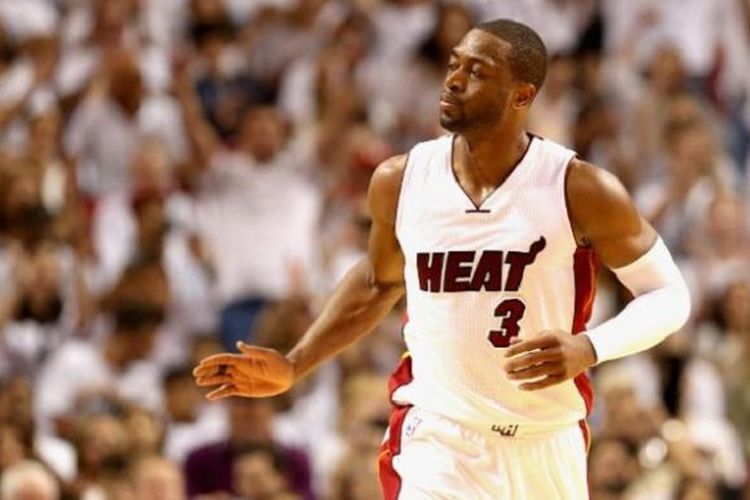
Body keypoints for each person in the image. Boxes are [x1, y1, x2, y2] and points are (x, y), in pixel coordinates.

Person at [193, 19, 691, 499]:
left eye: (478, 72)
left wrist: (591, 346)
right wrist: (296, 362)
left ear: (523, 95)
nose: (453, 80)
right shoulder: (401, 179)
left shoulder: (577, 186)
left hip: (546, 441)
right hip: (438, 440)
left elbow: (668, 295)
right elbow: (376, 282)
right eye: (455, 64)